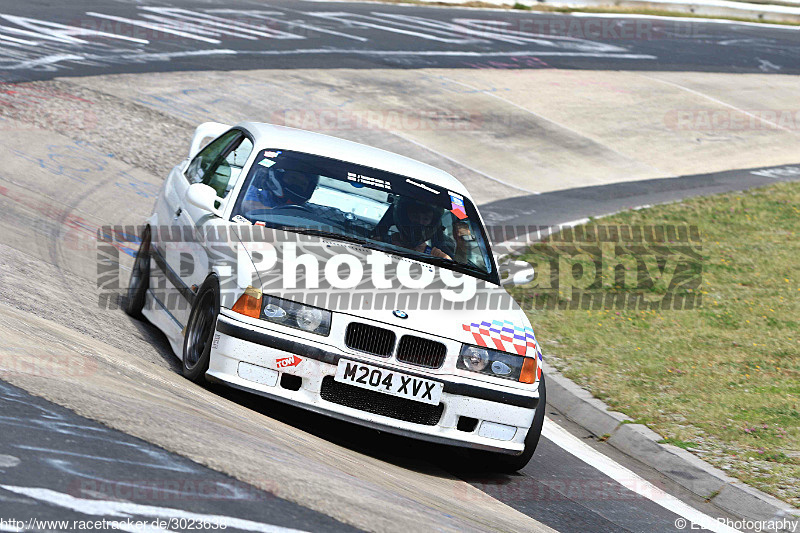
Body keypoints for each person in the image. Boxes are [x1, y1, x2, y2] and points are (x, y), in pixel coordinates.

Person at [389, 197, 454, 259]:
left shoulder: (437, 255)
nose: (420, 222)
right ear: (405, 217)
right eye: (415, 216)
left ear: (432, 223)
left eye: (426, 219)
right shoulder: (384, 243)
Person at [240, 166, 318, 213]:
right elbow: (248, 205)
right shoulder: (255, 192)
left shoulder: (306, 211)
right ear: (278, 176)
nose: (296, 184)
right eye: (293, 178)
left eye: (302, 184)